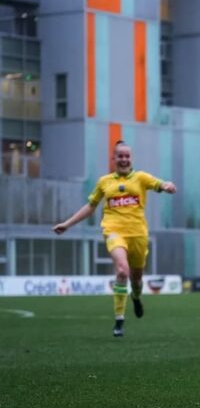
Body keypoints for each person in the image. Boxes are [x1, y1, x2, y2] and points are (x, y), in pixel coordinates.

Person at [52, 141, 176, 337]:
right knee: (121, 270)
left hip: (138, 234)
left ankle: (136, 297)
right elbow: (90, 206)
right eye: (120, 156)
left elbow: (159, 184)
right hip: (113, 231)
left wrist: (167, 186)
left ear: (131, 158)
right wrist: (67, 224)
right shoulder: (104, 182)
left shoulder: (141, 178)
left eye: (127, 156)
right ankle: (119, 320)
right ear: (114, 158)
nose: (124, 159)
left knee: (136, 279)